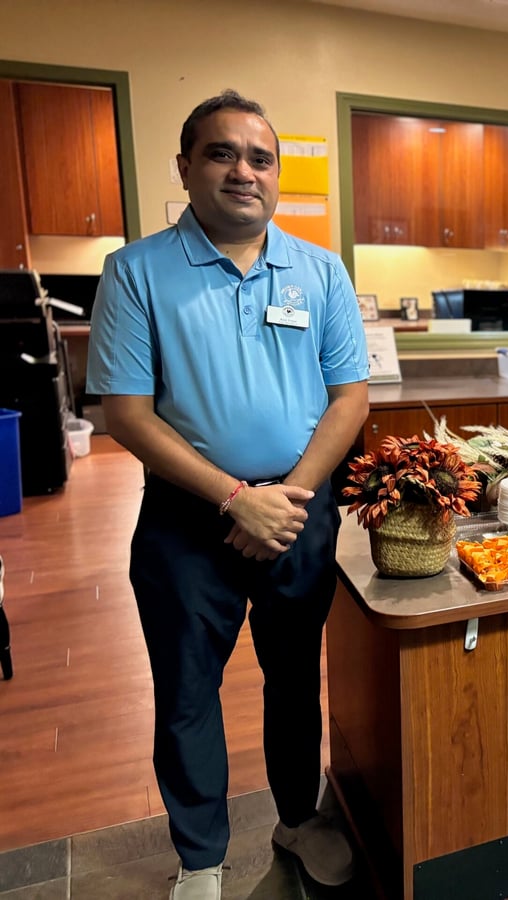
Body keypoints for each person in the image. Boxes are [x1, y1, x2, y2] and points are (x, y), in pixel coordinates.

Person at [86, 90, 369, 900]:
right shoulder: (137, 272)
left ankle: (297, 818)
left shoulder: (319, 271)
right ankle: (202, 859)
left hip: (298, 513)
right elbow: (125, 413)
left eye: (260, 158)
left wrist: (286, 497)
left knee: (295, 677)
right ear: (185, 167)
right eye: (222, 153)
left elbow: (350, 398)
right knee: (186, 691)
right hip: (186, 519)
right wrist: (235, 498)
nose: (244, 171)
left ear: (276, 175)